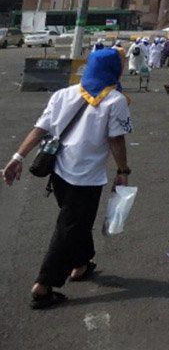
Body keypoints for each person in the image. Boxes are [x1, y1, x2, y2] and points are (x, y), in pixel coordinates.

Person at [2, 48, 132, 310]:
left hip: (59, 173)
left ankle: (81, 263)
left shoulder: (63, 94)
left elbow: (40, 128)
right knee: (69, 227)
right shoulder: (115, 100)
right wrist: (123, 171)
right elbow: (116, 139)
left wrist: (18, 156)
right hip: (87, 178)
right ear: (112, 70)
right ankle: (43, 285)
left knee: (75, 222)